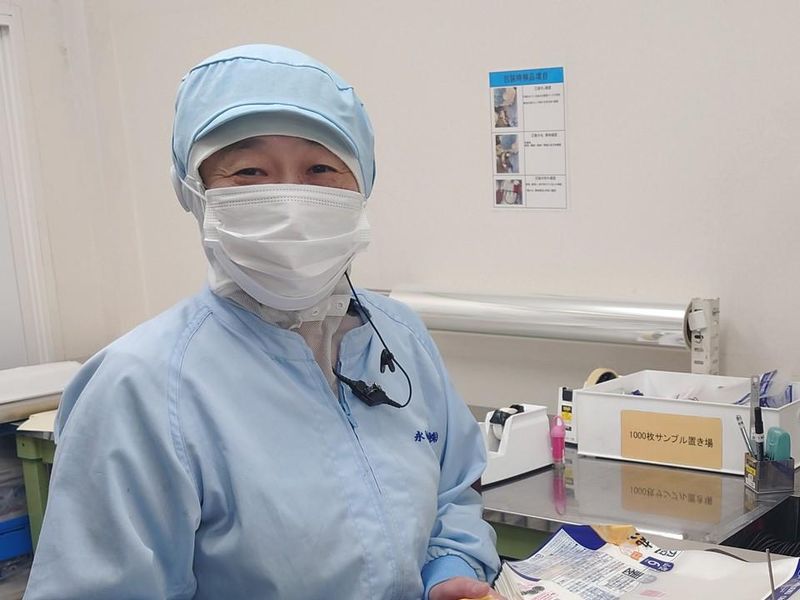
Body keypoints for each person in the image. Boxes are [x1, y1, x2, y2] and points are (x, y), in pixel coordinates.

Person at [24, 44, 503, 600]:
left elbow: (452, 495)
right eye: (249, 172)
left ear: (362, 184)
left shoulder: (399, 337)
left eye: (320, 168)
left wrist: (450, 573)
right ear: (195, 191)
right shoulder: (141, 387)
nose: (291, 200)